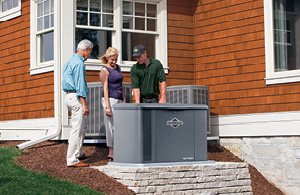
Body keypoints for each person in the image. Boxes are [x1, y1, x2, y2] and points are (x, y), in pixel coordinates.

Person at [62, 39, 93, 167]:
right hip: (76, 97)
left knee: (82, 125)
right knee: (77, 128)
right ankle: (72, 159)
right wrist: (84, 104)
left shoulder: (69, 62)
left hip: (68, 96)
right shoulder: (79, 64)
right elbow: (80, 86)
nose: (89, 55)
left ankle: (79, 152)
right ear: (86, 49)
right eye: (90, 52)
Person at [99, 47, 125, 160]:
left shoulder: (118, 68)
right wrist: (107, 106)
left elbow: (121, 84)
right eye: (112, 59)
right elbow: (105, 89)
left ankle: (119, 147)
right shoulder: (104, 70)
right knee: (110, 125)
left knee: (118, 125)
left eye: (116, 59)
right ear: (107, 58)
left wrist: (123, 99)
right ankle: (111, 150)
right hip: (109, 99)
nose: (114, 62)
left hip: (119, 98)